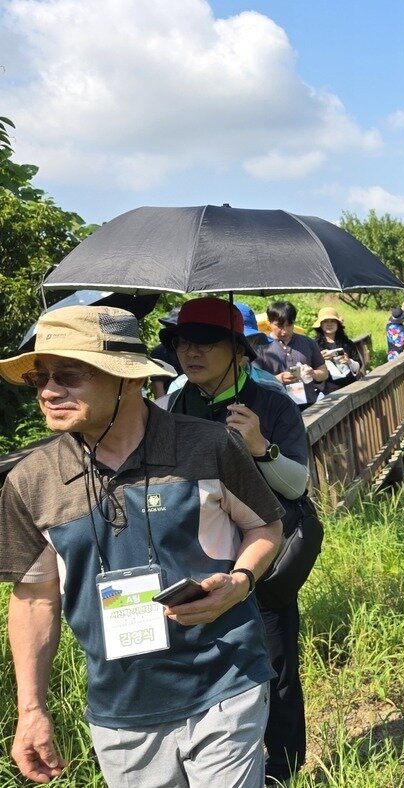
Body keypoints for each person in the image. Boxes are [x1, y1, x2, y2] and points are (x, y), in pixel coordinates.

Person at [0, 305, 283, 787]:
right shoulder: (33, 481)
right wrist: (32, 709)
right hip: (121, 710)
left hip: (225, 681)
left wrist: (240, 582)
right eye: (40, 378)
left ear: (129, 379)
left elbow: (265, 528)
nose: (49, 391)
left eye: (70, 375)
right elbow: (34, 598)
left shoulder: (209, 446)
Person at [159, 297, 317, 785]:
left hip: (263, 555)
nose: (192, 352)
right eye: (184, 342)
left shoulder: (269, 402)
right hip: (201, 556)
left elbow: (299, 486)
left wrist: (260, 448)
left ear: (238, 351)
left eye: (207, 342)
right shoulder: (174, 404)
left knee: (274, 659)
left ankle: (283, 767)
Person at [253, 301, 328, 410]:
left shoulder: (308, 342)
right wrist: (278, 379)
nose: (285, 331)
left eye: (289, 325)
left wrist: (313, 373)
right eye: (279, 326)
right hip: (276, 408)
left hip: (310, 406)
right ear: (269, 323)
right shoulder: (260, 347)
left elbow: (324, 372)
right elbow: (255, 380)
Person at [311, 306, 364, 393]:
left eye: (332, 321)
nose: (329, 324)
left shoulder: (347, 343)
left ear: (338, 324)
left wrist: (348, 361)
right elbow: (311, 369)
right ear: (320, 325)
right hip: (327, 390)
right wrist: (320, 359)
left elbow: (359, 364)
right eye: (325, 322)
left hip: (350, 386)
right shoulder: (314, 345)